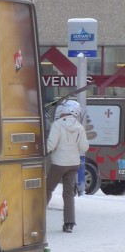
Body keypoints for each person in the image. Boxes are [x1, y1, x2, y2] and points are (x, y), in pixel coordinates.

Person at [46, 99, 90, 234]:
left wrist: (40, 151)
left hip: (59, 164)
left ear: (64, 111)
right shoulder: (80, 127)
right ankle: (69, 224)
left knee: (47, 190)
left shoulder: (57, 124)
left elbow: (51, 145)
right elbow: (85, 147)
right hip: (73, 164)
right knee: (69, 194)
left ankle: (37, 219)